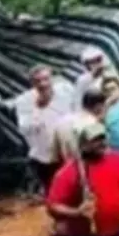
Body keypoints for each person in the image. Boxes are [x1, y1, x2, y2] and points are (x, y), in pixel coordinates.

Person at [14, 65, 73, 193]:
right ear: (32, 83)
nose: (43, 84)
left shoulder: (66, 91)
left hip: (69, 152)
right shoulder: (24, 101)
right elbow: (24, 129)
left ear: (52, 78)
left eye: (46, 79)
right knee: (54, 193)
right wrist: (38, 109)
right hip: (45, 158)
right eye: (38, 81)